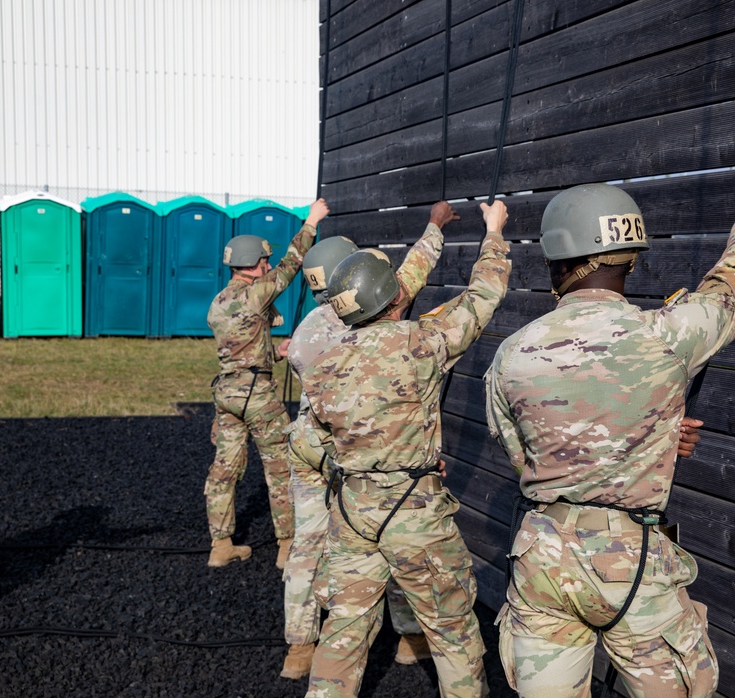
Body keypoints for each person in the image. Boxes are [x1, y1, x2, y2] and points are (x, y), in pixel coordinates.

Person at [484, 147, 735, 697]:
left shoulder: (512, 352)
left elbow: (521, 451)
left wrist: (647, 436)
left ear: (557, 264)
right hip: (635, 561)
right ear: (631, 258)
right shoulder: (669, 334)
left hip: (542, 557)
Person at [300, 200, 512, 698]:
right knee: (453, 631)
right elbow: (484, 294)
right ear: (395, 296)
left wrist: (359, 461)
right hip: (414, 511)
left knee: (344, 630)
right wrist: (494, 233)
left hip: (352, 512)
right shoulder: (424, 342)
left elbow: (310, 446)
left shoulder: (323, 364)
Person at [280, 202, 460, 679]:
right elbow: (411, 274)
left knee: (309, 542)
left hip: (310, 438)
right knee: (393, 520)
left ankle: (300, 648)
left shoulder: (303, 335)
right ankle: (408, 635)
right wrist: (435, 227)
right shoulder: (364, 313)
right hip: (356, 442)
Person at [204, 199, 329, 568]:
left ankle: (220, 545)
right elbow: (291, 267)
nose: (269, 267)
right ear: (253, 266)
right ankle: (287, 546)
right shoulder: (255, 294)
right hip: (258, 396)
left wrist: (275, 352)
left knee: (223, 472)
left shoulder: (219, 302)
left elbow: (237, 349)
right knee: (280, 468)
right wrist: (311, 223)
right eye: (264, 263)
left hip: (226, 393)